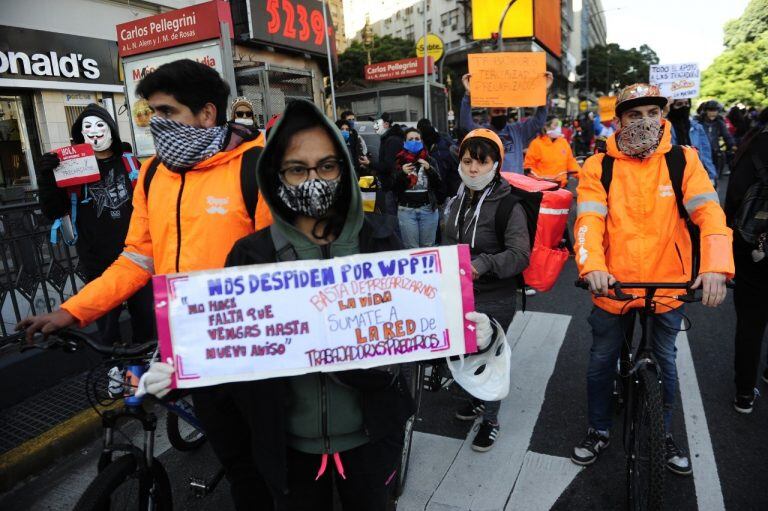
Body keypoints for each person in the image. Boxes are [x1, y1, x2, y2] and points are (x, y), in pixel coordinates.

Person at [136, 100, 500, 510]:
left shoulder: (378, 240)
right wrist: (182, 368)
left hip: (371, 438)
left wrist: (473, 333)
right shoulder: (251, 255)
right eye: (297, 169)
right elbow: (231, 345)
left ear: (344, 169)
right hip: (289, 449)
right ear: (275, 177)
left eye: (327, 166)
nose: (314, 180)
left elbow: (415, 327)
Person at [18, 60, 275, 503]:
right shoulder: (153, 174)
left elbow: (282, 267)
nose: (156, 123)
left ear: (208, 113)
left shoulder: (256, 167)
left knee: (265, 465)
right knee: (234, 460)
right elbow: (136, 259)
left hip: (251, 348)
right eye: (150, 112)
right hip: (187, 342)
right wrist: (70, 312)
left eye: (167, 112)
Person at [571, 83, 734, 475]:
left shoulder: (684, 160)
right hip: (612, 285)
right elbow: (588, 221)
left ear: (662, 117)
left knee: (665, 361)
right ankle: (598, 428)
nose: (644, 122)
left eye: (652, 114)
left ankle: (661, 434)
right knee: (601, 359)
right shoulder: (598, 166)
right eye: (634, 115)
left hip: (670, 284)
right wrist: (592, 265)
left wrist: (715, 266)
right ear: (618, 121)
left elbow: (710, 214)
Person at [36, 103, 155, 345]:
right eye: (87, 127)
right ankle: (114, 370)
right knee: (107, 323)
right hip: (96, 258)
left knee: (145, 316)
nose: (94, 131)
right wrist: (48, 178)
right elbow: (54, 210)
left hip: (136, 256)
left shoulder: (130, 164)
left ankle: (142, 369)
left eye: (100, 125)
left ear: (111, 129)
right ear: (79, 134)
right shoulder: (70, 169)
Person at [442, 128, 531, 452]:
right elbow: (447, 242)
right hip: (459, 293)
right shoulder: (456, 199)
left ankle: (490, 420)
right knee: (466, 352)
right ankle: (476, 398)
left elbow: (520, 255)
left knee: (490, 357)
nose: (473, 169)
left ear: (496, 164)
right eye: (467, 161)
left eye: (482, 162)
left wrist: (483, 264)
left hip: (495, 296)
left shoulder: (509, 205)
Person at [724, 108, 768, 413]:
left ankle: (744, 392)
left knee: (750, 322)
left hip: (752, 245)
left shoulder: (752, 145)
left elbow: (734, 199)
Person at [459, 72, 554, 174]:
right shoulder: (483, 133)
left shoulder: (518, 130)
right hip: (493, 185)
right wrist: (468, 94)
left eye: (504, 111)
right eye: (497, 111)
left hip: (516, 185)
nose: (501, 114)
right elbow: (465, 125)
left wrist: (545, 92)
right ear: (489, 114)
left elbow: (538, 121)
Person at [393, 128, 444, 248]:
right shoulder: (399, 161)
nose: (414, 141)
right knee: (411, 249)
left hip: (428, 210)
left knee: (428, 248)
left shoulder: (430, 160)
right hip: (406, 211)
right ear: (404, 143)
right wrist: (402, 173)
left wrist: (429, 169)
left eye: (417, 139)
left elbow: (439, 184)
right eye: (410, 139)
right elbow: (392, 186)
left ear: (421, 141)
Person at [667, 98, 717, 184]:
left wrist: (711, 175)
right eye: (679, 104)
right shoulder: (664, 128)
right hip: (672, 175)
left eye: (687, 103)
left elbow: (705, 153)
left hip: (694, 173)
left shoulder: (697, 127)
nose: (684, 107)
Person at [523, 117, 581, 188]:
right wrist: (542, 178)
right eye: (555, 125)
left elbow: (571, 162)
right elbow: (529, 167)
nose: (558, 128)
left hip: (562, 186)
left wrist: (582, 175)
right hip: (543, 187)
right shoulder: (536, 144)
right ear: (546, 127)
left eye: (559, 125)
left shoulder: (563, 142)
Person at [417, 118, 461, 198]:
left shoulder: (438, 153)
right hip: (455, 187)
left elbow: (441, 177)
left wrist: (440, 198)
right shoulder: (443, 140)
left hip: (451, 192)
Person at [375, 112, 406, 217]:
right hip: (391, 184)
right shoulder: (387, 138)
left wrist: (370, 164)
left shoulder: (392, 140)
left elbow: (388, 165)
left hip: (392, 185)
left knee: (393, 217)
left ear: (386, 124)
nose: (375, 126)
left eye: (377, 123)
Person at [698, 100, 736, 176]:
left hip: (716, 152)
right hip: (701, 153)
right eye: (710, 110)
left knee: (715, 176)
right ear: (706, 111)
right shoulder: (698, 122)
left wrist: (732, 145)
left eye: (715, 110)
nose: (712, 112)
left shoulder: (720, 122)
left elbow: (727, 135)